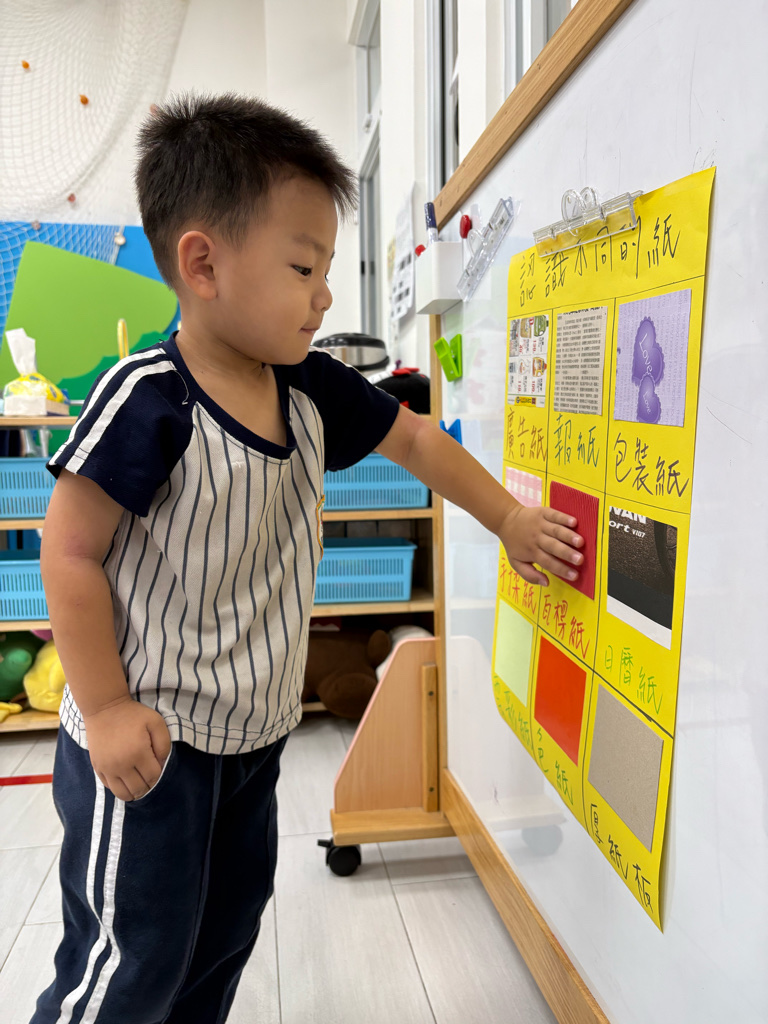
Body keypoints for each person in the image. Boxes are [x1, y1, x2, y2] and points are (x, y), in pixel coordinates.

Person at [31, 93, 584, 1024]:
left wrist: (508, 519)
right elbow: (69, 552)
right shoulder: (148, 399)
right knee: (133, 961)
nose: (325, 295)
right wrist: (110, 707)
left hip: (251, 734)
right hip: (149, 744)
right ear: (203, 264)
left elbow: (417, 439)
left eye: (326, 268)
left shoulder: (308, 386)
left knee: (221, 938)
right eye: (303, 267)